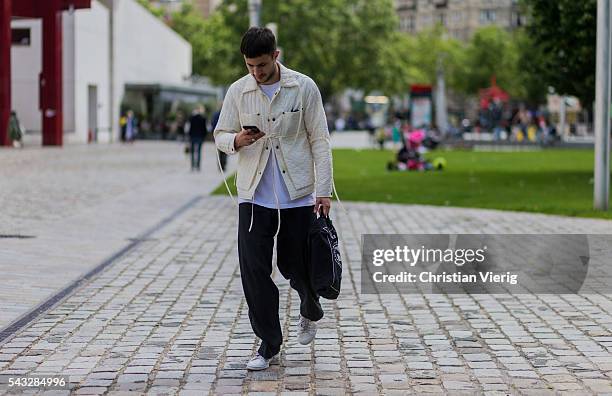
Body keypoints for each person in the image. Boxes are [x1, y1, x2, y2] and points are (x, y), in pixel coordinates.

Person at [213, 27, 334, 371]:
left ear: (276, 56)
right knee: (254, 270)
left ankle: (310, 303)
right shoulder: (238, 91)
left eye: (262, 65)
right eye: (250, 65)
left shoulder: (303, 87)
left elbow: (320, 140)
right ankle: (269, 343)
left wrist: (323, 190)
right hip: (254, 195)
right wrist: (237, 139)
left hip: (297, 193)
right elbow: (220, 134)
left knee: (295, 266)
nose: (256, 72)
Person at [187, 105, 208, 171]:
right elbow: (205, 129)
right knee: (199, 151)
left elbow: (188, 127)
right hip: (200, 136)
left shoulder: (191, 118)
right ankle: (198, 166)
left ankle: (192, 165)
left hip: (192, 136)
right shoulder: (203, 118)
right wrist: (204, 136)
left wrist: (189, 135)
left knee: (192, 152)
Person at [211, 103, 227, 171]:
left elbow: (213, 124)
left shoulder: (216, 114)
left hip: (218, 134)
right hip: (225, 134)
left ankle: (220, 165)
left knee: (219, 151)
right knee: (225, 151)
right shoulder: (226, 114)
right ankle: (223, 165)